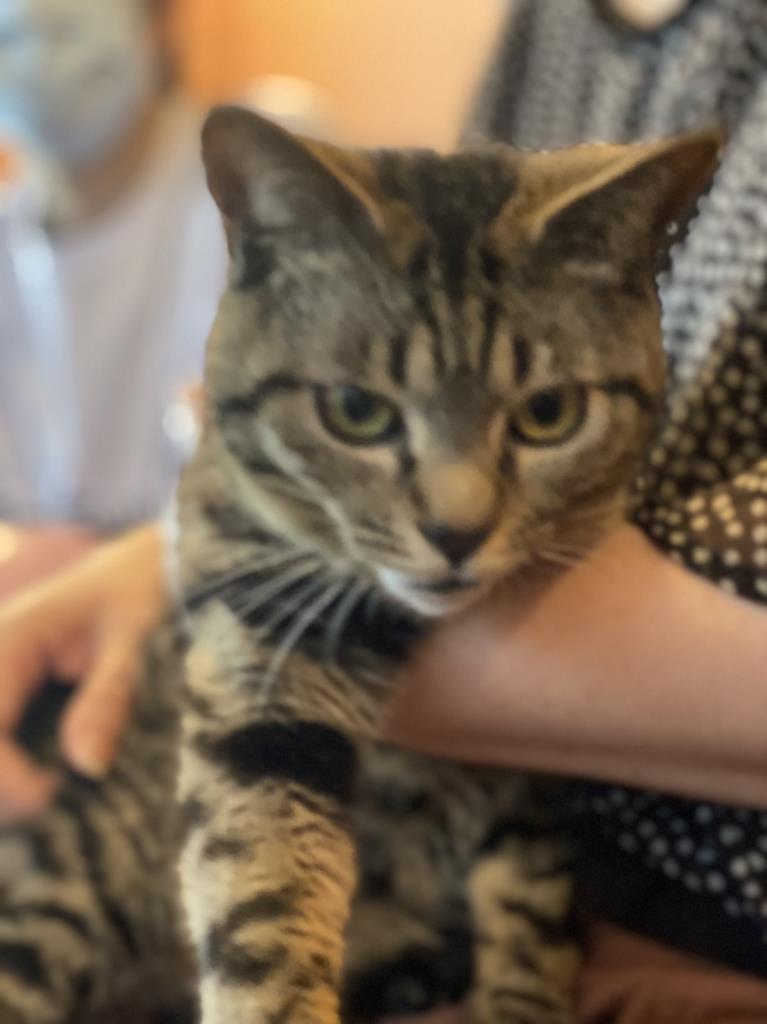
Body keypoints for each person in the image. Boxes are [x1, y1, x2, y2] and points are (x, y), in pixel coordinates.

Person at [2, 0, 767, 1020]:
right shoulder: (545, 27)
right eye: (365, 412)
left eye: (541, 414)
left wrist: (222, 562)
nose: (459, 512)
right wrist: (163, 552)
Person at [0, 0, 227, 586]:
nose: (42, 56)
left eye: (67, 25)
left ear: (157, 23)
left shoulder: (256, 195)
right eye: (13, 35)